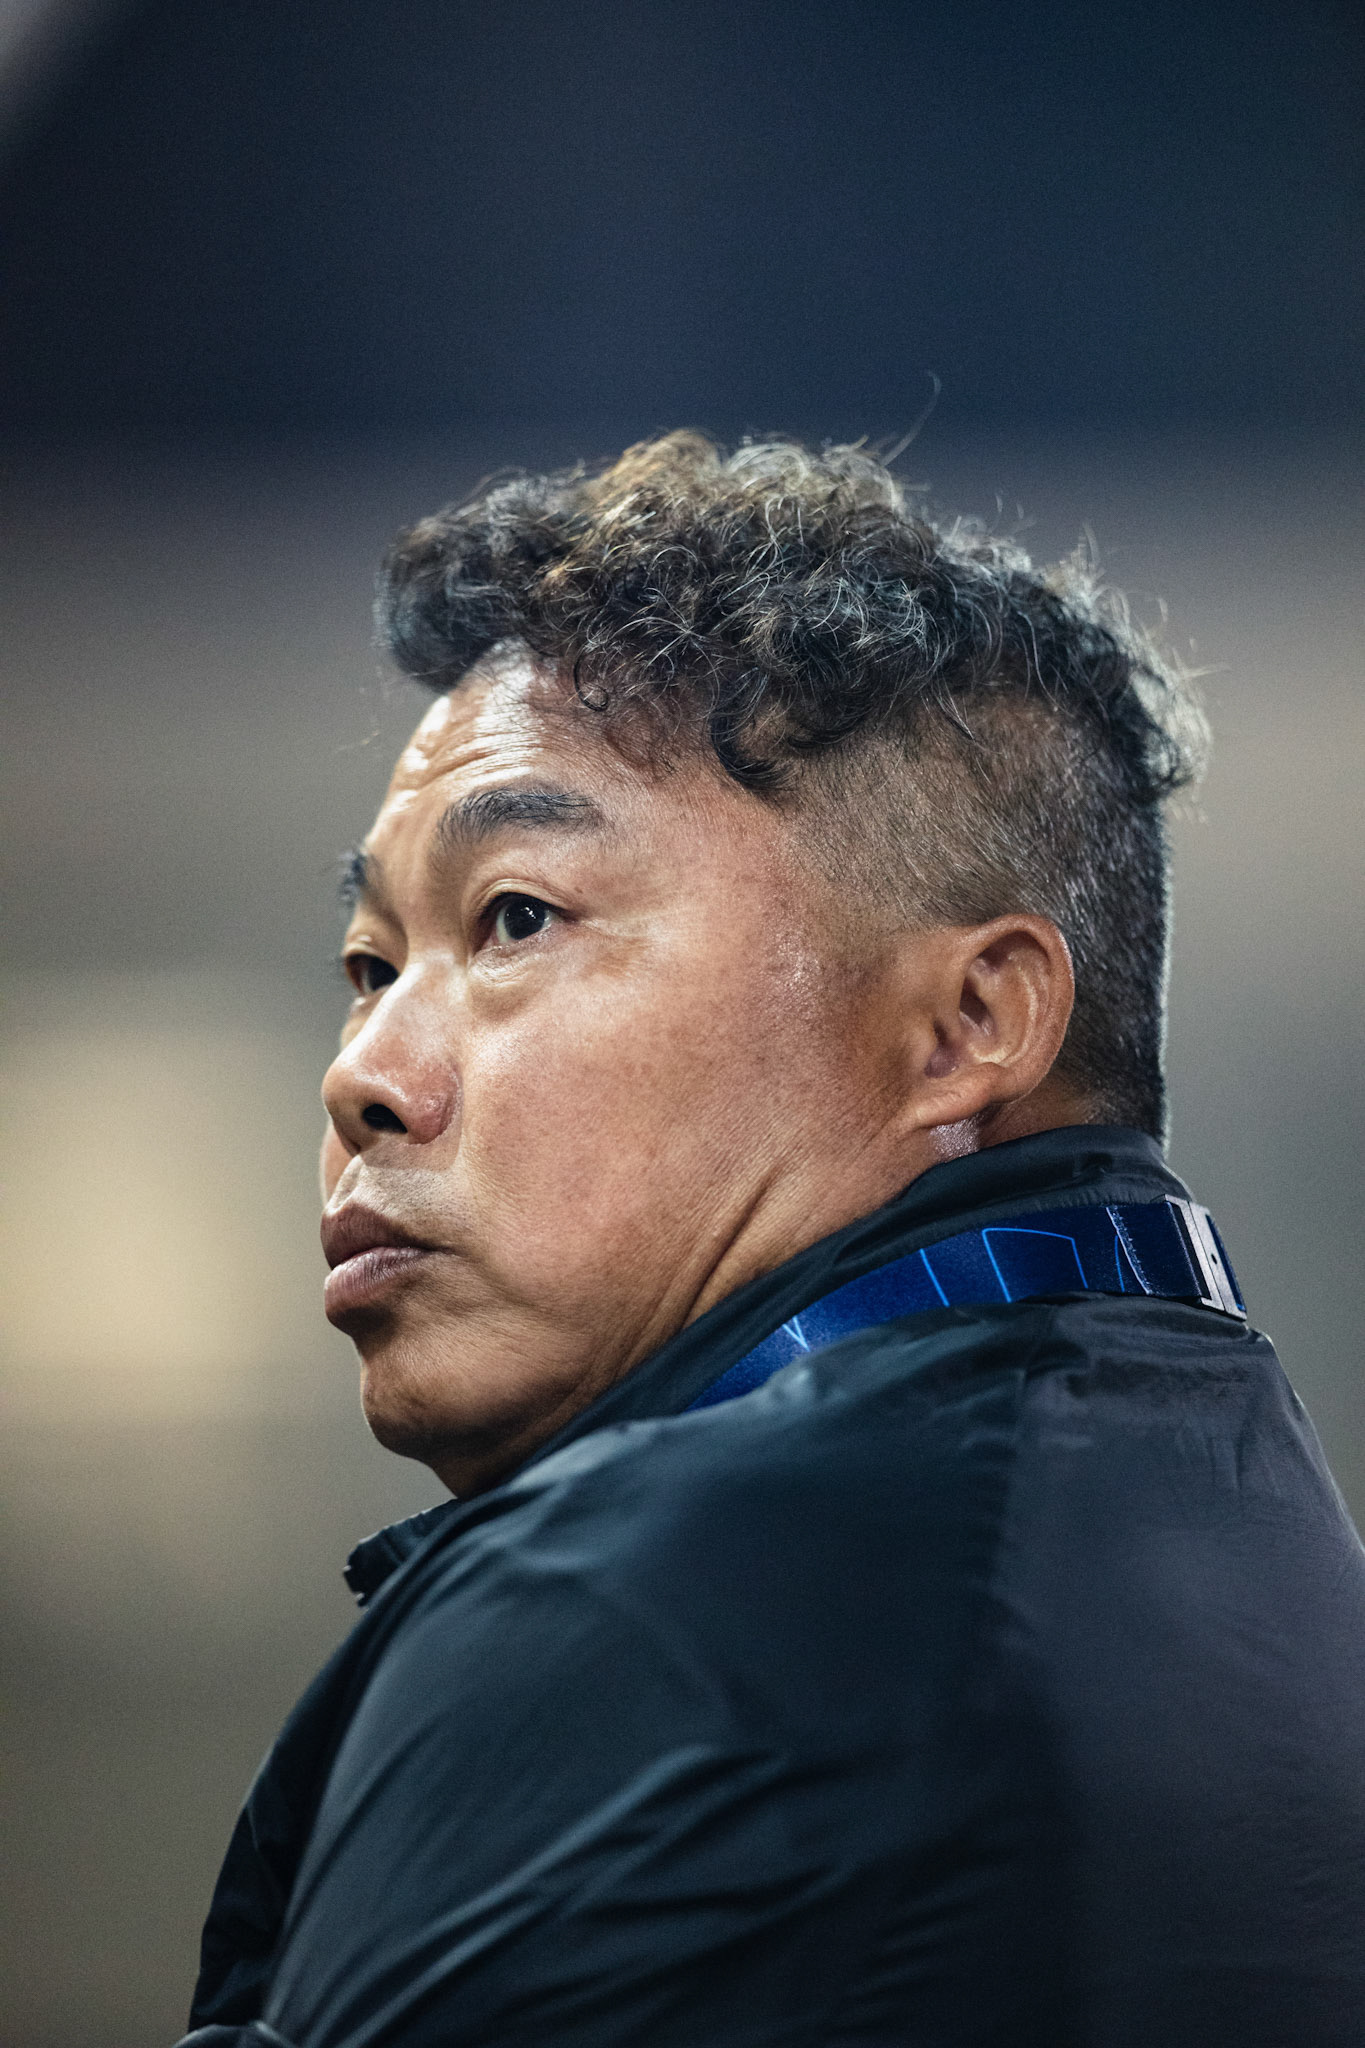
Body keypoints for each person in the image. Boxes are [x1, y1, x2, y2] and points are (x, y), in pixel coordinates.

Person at [179, 434, 1365, 2048]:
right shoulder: (1274, 1574)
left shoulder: (645, 1610)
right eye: (371, 962)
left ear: (964, 1025)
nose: (366, 1073)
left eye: (517, 917)